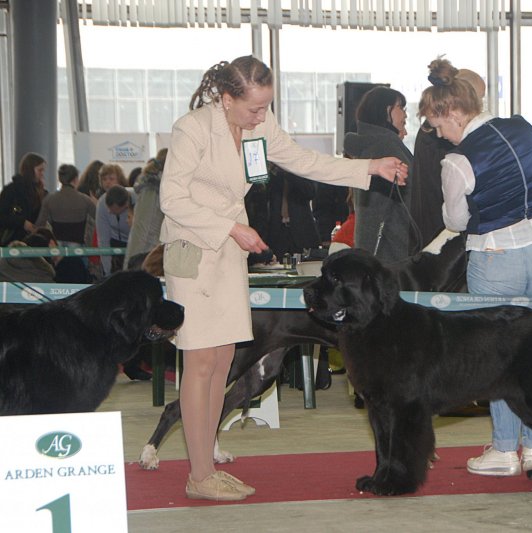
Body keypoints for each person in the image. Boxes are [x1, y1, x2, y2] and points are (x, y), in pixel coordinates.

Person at [158, 55, 407, 502]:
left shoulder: (258, 126)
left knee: (222, 363)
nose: (261, 116)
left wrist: (367, 168)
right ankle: (198, 474)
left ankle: (205, 467)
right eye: (254, 107)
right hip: (195, 252)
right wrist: (231, 227)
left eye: (266, 106)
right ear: (226, 97)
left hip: (232, 254)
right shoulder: (192, 128)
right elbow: (171, 198)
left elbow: (303, 160)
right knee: (200, 363)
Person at [418, 57, 532, 477]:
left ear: (452, 111)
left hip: (497, 254)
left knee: (499, 356)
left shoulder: (457, 161)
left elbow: (456, 222)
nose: (437, 134)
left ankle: (505, 451)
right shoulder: (525, 127)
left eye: (436, 124)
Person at [409, 67, 485, 248]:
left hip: (432, 224)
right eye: (479, 98)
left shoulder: (432, 128)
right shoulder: (444, 132)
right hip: (442, 229)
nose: (480, 106)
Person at [343, 86, 413, 262]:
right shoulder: (385, 148)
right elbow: (374, 212)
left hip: (382, 250)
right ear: (385, 110)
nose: (405, 114)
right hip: (393, 251)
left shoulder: (375, 146)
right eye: (401, 107)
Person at [264, 163, 321, 259]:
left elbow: (310, 192)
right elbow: (264, 193)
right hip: (277, 232)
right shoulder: (274, 174)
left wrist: (289, 172)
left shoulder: (302, 170)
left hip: (301, 231)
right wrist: (272, 170)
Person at [124, 149, 168, 269]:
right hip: (146, 253)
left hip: (146, 251)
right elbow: (146, 229)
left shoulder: (152, 189)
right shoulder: (152, 191)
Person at [35, 163, 96, 246]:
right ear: (75, 179)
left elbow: (39, 224)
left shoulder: (49, 199)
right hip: (77, 245)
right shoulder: (85, 200)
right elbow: (98, 219)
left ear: (60, 179)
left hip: (57, 244)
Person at [0, 152, 48, 246]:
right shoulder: (11, 190)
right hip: (13, 241)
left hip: (34, 240)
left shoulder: (42, 192)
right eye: (40, 170)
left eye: (43, 171)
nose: (42, 174)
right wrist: (22, 223)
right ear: (30, 170)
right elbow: (2, 216)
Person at [95, 165, 132, 275]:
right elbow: (103, 239)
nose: (107, 183)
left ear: (120, 179)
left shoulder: (135, 197)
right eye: (104, 179)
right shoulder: (101, 204)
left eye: (111, 179)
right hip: (115, 244)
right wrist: (108, 272)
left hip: (134, 242)